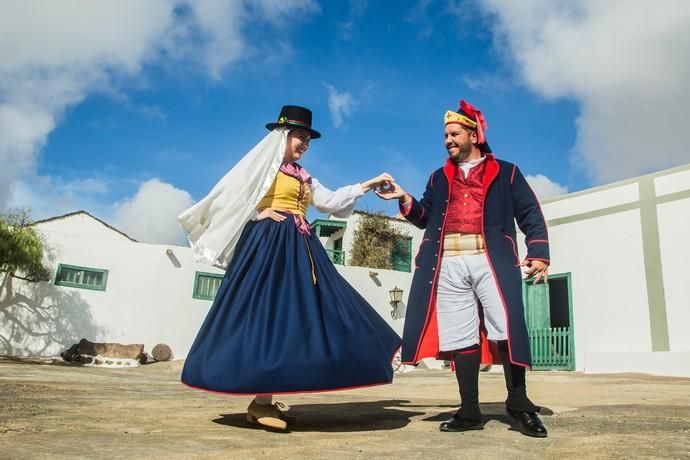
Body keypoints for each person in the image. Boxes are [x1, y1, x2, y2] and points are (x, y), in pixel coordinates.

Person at [179, 105, 401, 431]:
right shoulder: (261, 168)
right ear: (282, 135)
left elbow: (331, 202)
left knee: (309, 314)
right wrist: (258, 215)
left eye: (308, 139)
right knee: (267, 317)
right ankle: (260, 400)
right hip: (268, 246)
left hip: (301, 248)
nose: (305, 144)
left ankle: (265, 401)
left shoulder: (303, 175)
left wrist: (368, 184)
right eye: (300, 136)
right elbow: (231, 197)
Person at [376, 100, 549, 437]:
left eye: (454, 134)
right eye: (445, 136)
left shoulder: (508, 171)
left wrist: (539, 252)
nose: (448, 140)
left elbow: (530, 213)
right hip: (448, 263)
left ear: (474, 134)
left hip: (491, 259)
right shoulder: (438, 177)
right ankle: (469, 409)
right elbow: (425, 217)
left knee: (506, 328)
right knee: (460, 335)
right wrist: (404, 198)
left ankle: (519, 402)